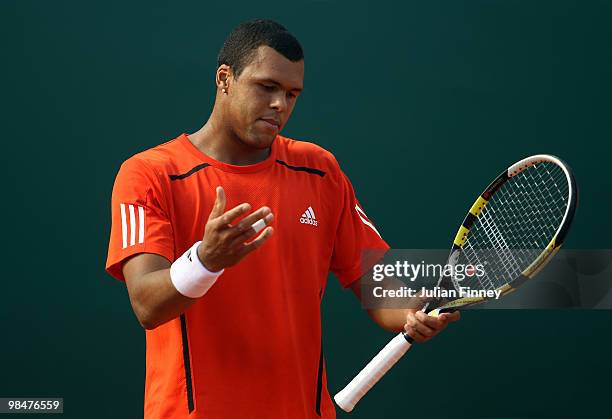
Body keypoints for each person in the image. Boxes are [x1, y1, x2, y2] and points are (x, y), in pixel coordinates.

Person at [105, 19, 459, 419]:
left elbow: (376, 286)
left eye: (292, 94)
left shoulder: (320, 170)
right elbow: (147, 305)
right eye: (267, 87)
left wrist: (415, 311)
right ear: (225, 79)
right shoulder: (150, 174)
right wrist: (205, 260)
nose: (280, 105)